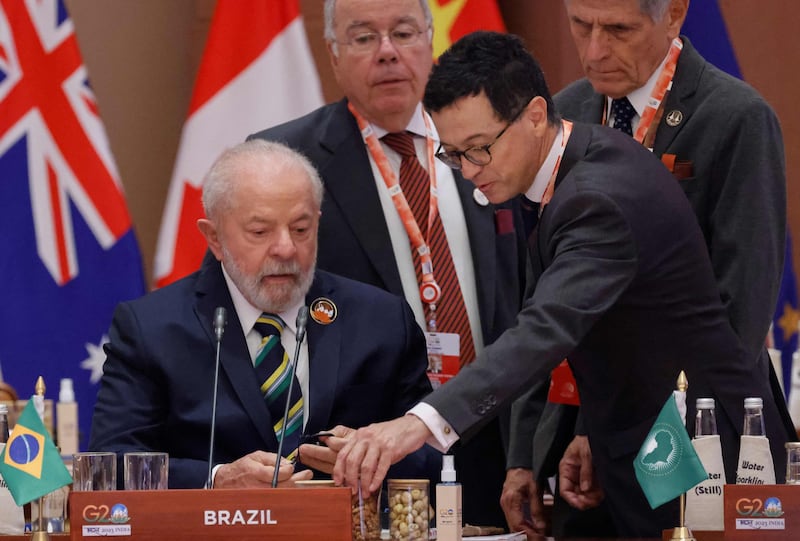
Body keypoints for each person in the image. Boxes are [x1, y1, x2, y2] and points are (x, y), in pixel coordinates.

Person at [328, 31, 789, 538]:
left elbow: (543, 328)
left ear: (532, 115)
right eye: (453, 155)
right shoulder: (571, 161)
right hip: (629, 437)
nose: (467, 171)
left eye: (479, 149)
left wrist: (417, 424)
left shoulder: (598, 199)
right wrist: (565, 440)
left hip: (698, 445)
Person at [502, 1, 791, 536]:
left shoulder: (735, 118)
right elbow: (541, 304)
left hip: (700, 441)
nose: (594, 51)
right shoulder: (562, 116)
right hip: (576, 455)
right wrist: (524, 455)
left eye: (617, 30)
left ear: (674, 14)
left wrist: (612, 427)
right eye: (580, 26)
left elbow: (738, 319)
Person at [248, 0, 529, 527]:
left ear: (430, 43)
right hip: (365, 458)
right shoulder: (285, 160)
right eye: (362, 38)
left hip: (501, 443)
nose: (386, 53)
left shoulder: (495, 141)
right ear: (333, 55)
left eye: (402, 33)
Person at [89, 139, 437, 489]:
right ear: (214, 238)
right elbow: (113, 462)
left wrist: (373, 457)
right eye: (260, 231)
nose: (286, 248)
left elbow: (436, 456)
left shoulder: (381, 320)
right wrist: (216, 480)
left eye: (301, 229)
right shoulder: (153, 328)